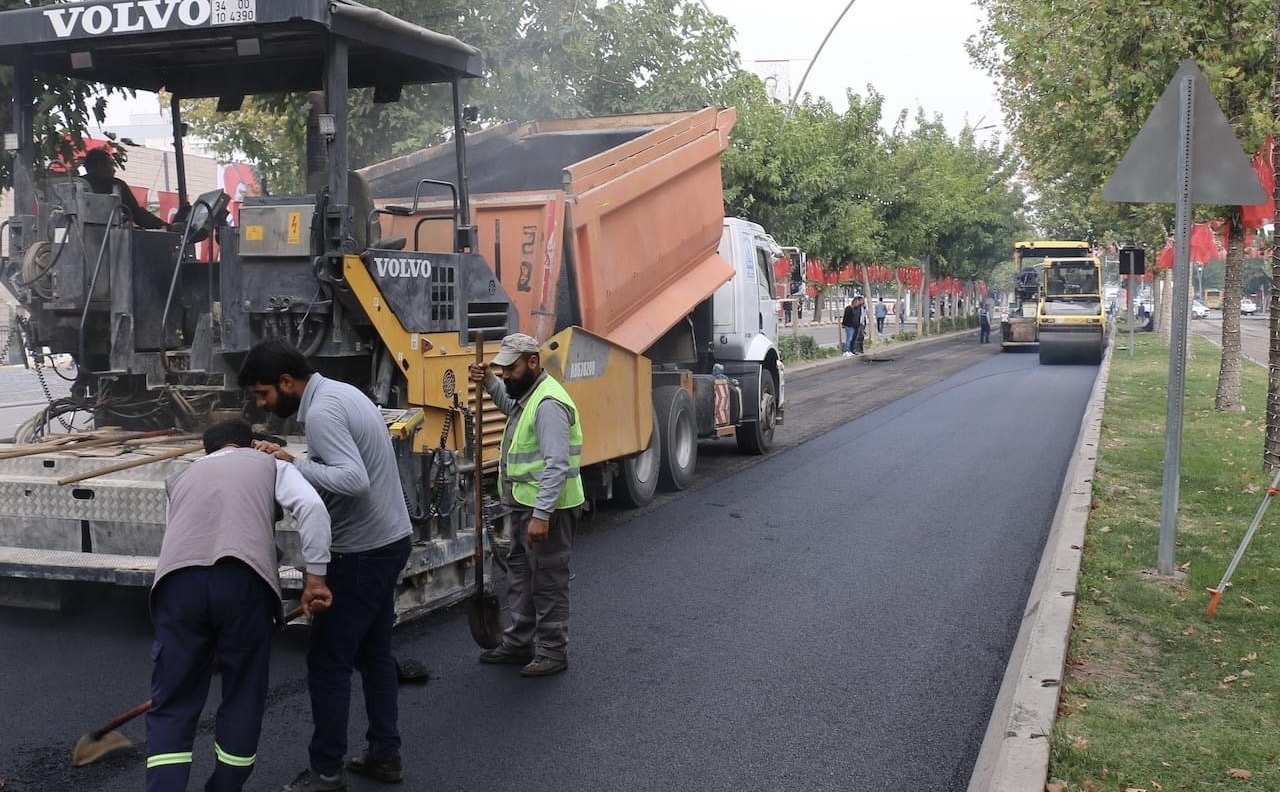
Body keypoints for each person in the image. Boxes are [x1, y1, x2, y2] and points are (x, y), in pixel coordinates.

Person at [239, 340, 413, 792]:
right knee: (374, 655)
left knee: (328, 662)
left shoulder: (320, 413)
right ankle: (384, 755)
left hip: (361, 553)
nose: (262, 404)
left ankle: (327, 772)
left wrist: (292, 464)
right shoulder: (340, 392)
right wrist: (291, 457)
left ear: (287, 382)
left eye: (264, 394)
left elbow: (352, 480)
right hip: (390, 540)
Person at [146, 419, 332, 792]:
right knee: (243, 693)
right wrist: (316, 579)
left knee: (173, 703)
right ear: (252, 444)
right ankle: (225, 786)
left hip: (178, 586)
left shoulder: (182, 478)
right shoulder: (268, 464)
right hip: (242, 584)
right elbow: (312, 507)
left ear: (207, 450)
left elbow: (179, 540)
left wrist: (207, 639)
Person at [468, 332, 584, 678]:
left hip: (547, 510)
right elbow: (509, 404)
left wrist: (542, 515)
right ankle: (520, 642)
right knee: (520, 574)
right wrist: (488, 381)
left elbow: (556, 464)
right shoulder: (529, 395)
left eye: (510, 369)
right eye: (501, 369)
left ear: (533, 362)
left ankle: (552, 651)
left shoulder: (549, 404)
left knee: (547, 580)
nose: (505, 374)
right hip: (523, 505)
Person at [82, 148, 169, 230]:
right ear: (101, 164)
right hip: (107, 239)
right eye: (111, 164)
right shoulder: (115, 185)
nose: (114, 170)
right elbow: (137, 214)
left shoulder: (74, 184)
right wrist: (165, 226)